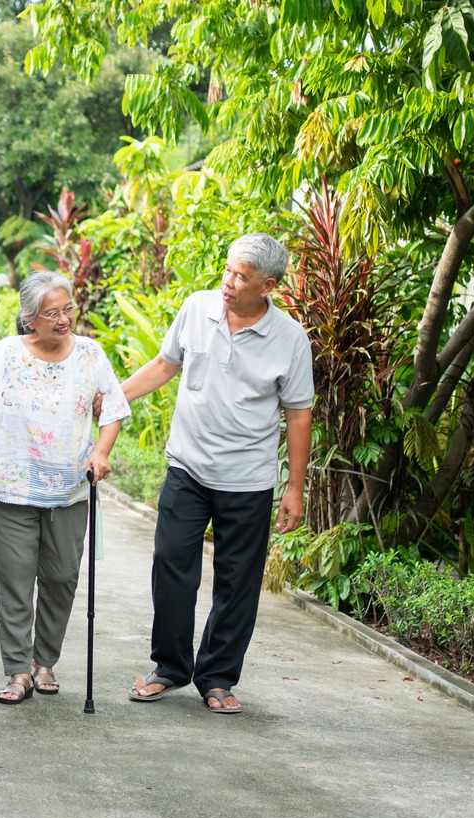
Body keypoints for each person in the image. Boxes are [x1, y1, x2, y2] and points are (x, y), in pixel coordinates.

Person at [122, 232, 314, 714]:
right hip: (187, 466)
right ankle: (169, 667)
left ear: (267, 285)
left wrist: (294, 488)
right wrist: (112, 395)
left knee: (238, 583)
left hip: (247, 479)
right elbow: (165, 365)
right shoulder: (196, 307)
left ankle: (218, 678)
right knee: (171, 566)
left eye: (241, 277)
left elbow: (298, 414)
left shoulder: (289, 339)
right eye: (227, 270)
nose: (228, 282)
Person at [0, 272, 129, 705]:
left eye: (68, 309)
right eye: (51, 313)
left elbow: (112, 407)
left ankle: (45, 661)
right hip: (11, 487)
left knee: (61, 577)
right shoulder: (4, 354)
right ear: (30, 320)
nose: (63, 319)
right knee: (16, 580)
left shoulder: (91, 354)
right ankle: (18, 670)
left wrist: (102, 452)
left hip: (71, 488)